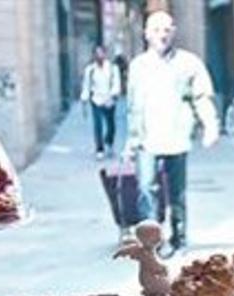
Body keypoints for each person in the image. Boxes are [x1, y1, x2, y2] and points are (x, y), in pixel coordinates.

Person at [125, 10, 219, 257]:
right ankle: (152, 240)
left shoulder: (189, 63)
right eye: (156, 30)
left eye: (166, 30)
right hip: (147, 139)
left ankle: (179, 236)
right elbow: (133, 107)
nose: (162, 35)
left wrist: (210, 125)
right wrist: (131, 141)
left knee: (177, 192)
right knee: (146, 189)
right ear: (146, 34)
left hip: (177, 136)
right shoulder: (138, 66)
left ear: (174, 32)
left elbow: (202, 97)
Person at [81, 45, 121, 159]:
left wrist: (113, 96)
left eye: (101, 53)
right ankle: (99, 148)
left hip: (109, 100)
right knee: (98, 125)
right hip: (96, 100)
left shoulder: (113, 68)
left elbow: (116, 83)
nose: (99, 56)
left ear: (105, 54)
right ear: (94, 55)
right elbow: (87, 85)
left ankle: (109, 142)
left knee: (111, 125)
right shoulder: (90, 70)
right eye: (96, 53)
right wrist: (84, 98)